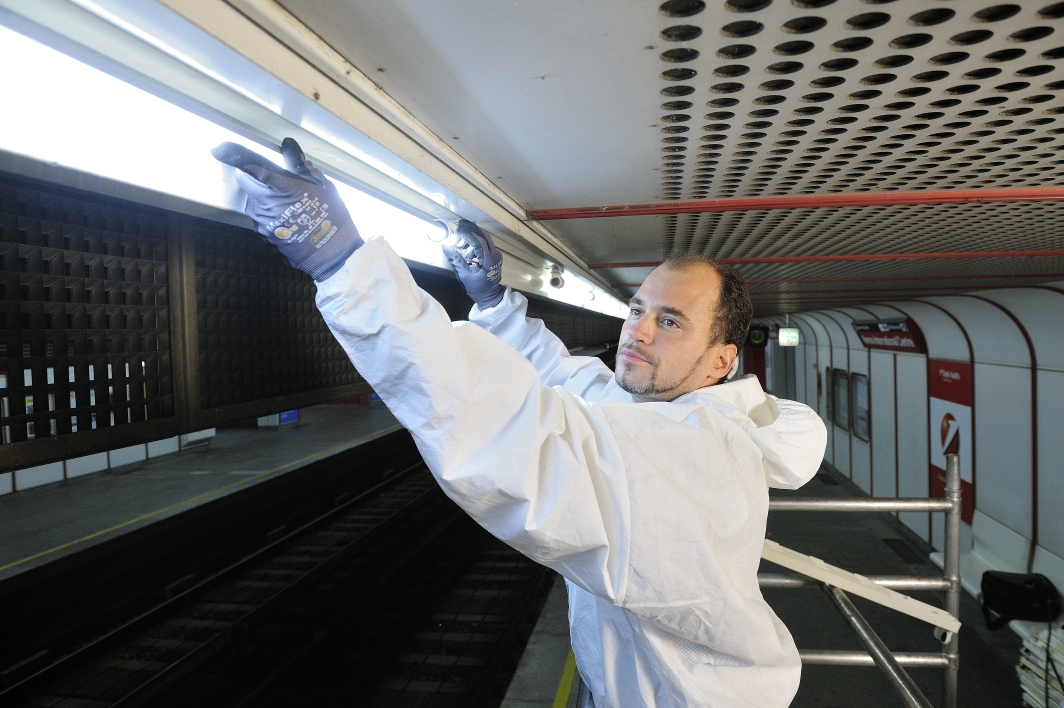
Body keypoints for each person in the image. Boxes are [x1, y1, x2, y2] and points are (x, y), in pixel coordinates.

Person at [217, 138, 828, 707]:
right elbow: (571, 383)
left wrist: (346, 267)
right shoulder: (663, 413)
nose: (636, 332)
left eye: (670, 322)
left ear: (722, 361)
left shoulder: (697, 454)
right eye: (637, 309)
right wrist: (493, 305)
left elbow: (515, 440)